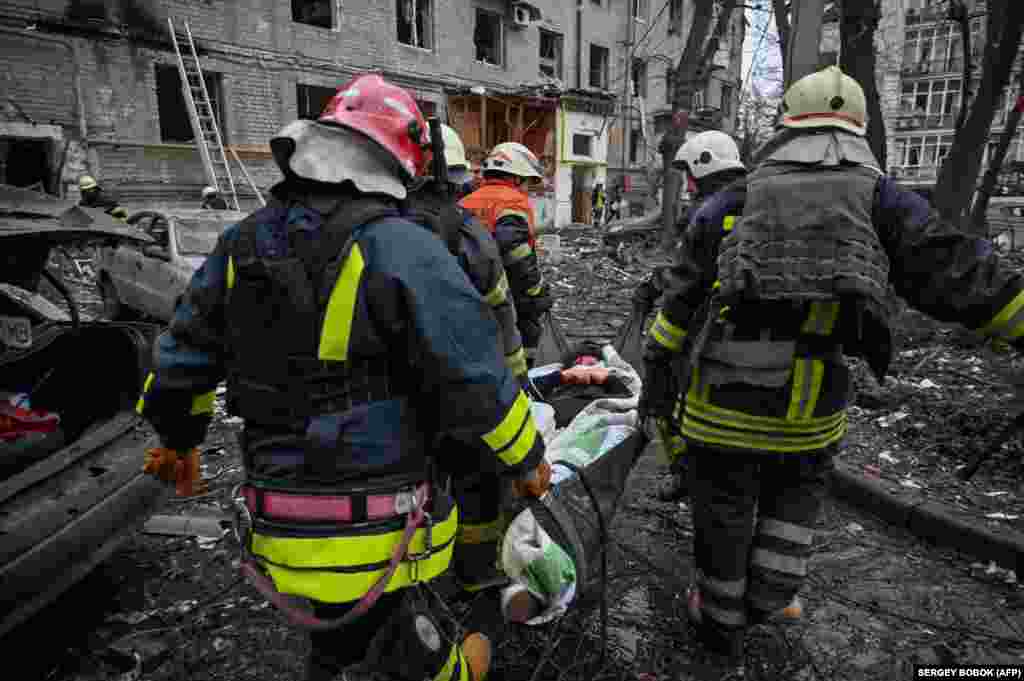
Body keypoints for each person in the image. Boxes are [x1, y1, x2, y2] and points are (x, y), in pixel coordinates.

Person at [135, 73, 553, 681]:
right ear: (404, 159)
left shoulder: (242, 243)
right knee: (416, 651)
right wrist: (526, 457)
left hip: (278, 523)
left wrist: (177, 438)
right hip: (386, 527)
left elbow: (183, 355)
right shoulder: (403, 248)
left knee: (339, 641)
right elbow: (474, 375)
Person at [639, 65, 1024, 662]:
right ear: (859, 128)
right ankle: (769, 597)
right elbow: (957, 273)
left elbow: (682, 301)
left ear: (786, 125)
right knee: (794, 497)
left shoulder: (731, 202)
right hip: (812, 405)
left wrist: (658, 362)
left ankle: (720, 627)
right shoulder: (881, 199)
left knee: (725, 506)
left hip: (723, 402)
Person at [405, 123, 530, 595]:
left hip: (400, 403)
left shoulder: (372, 232)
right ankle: (477, 573)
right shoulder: (467, 233)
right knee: (479, 482)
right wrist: (513, 389)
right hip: (464, 393)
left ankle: (420, 575)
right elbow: (501, 317)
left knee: (419, 486)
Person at [639, 130, 748, 503]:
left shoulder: (710, 211)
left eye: (689, 174)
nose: (687, 184)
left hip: (702, 331)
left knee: (666, 396)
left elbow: (690, 281)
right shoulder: (761, 202)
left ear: (705, 166)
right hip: (753, 336)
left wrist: (657, 349)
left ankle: (684, 471)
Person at [460, 142, 553, 369]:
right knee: (524, 349)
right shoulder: (512, 201)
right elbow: (515, 252)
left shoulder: (465, 201)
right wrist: (536, 292)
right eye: (527, 182)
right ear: (517, 177)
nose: (527, 189)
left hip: (467, 295)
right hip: (507, 298)